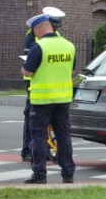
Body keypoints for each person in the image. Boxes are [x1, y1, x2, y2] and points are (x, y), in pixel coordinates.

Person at [21, 14, 76, 184]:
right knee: (63, 135)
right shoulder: (69, 46)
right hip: (63, 99)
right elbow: (72, 69)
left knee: (38, 136)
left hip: (41, 101)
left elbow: (28, 72)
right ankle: (68, 173)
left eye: (34, 32)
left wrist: (23, 69)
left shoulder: (39, 47)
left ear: (38, 30)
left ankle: (39, 174)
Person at [20, 6, 65, 162]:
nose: (56, 28)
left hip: (51, 83)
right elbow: (28, 60)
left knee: (49, 120)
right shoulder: (32, 35)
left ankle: (45, 149)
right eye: (54, 25)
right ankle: (27, 150)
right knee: (31, 117)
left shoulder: (56, 35)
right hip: (34, 83)